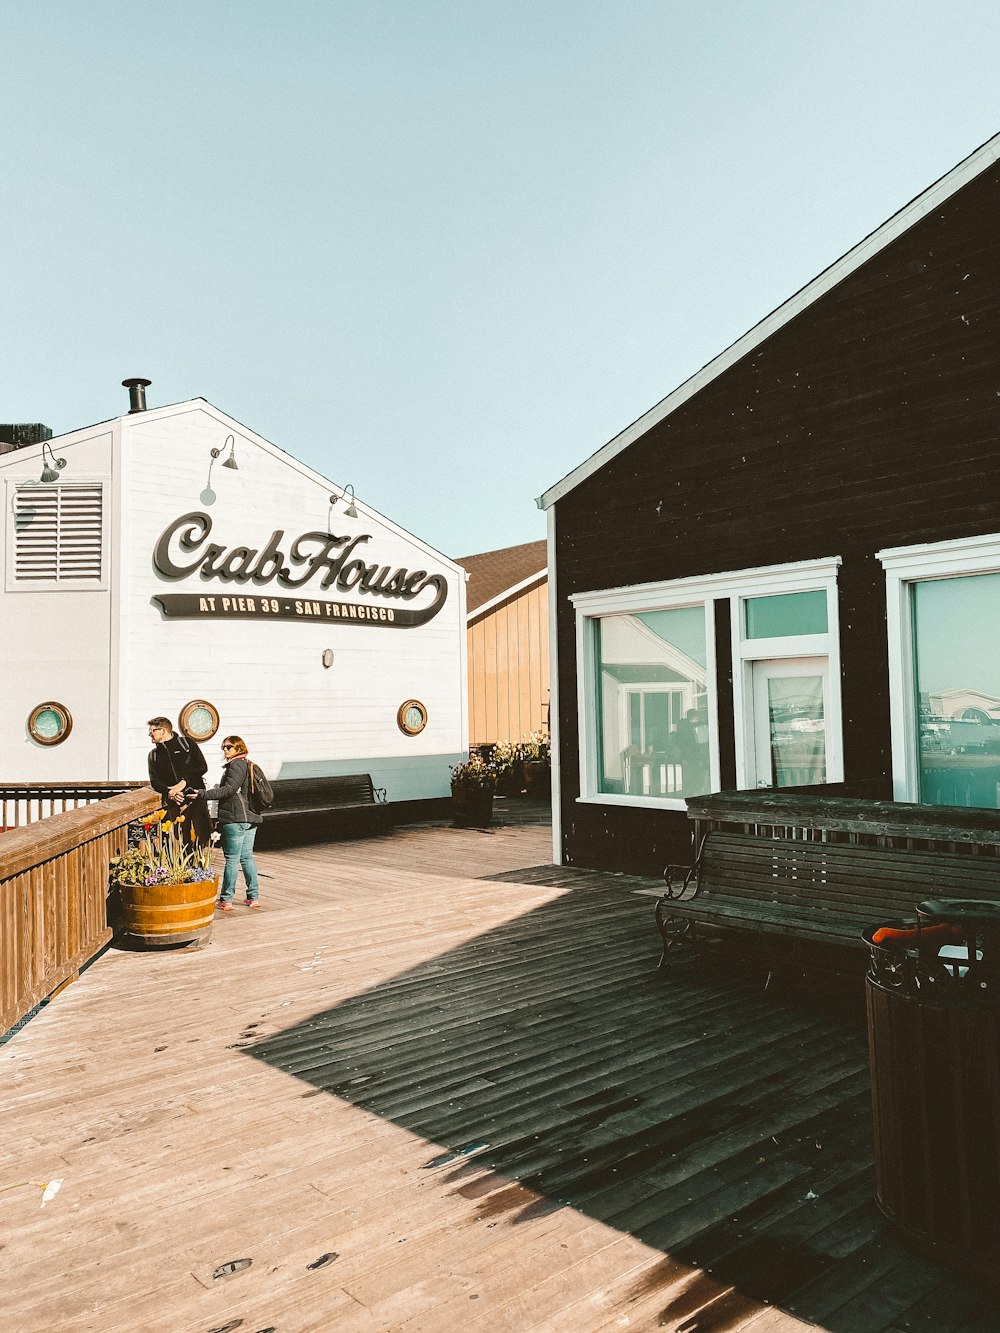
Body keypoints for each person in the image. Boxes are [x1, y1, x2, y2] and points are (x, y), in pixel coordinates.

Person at [203, 735, 262, 912]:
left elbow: (229, 790)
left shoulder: (237, 765)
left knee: (232, 859)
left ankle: (226, 900)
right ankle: (253, 897)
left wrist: (203, 794)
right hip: (249, 818)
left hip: (235, 819)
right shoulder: (248, 764)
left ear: (238, 748)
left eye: (229, 747)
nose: (225, 750)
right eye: (223, 747)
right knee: (246, 857)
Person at [146, 715, 213, 847]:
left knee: (202, 836)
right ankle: (184, 867)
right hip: (174, 802)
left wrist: (184, 782)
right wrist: (169, 792)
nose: (149, 734)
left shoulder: (186, 744)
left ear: (163, 731)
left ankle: (201, 866)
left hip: (195, 798)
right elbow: (155, 780)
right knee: (180, 840)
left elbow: (201, 767)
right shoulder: (153, 755)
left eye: (152, 731)